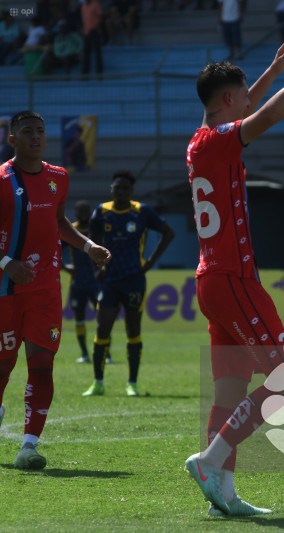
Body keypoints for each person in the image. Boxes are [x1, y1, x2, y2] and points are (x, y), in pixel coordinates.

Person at [183, 43, 284, 516]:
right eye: (242, 97)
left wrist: (273, 69)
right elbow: (265, 117)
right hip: (234, 280)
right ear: (230, 101)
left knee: (230, 393)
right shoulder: (221, 140)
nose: (248, 103)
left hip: (209, 281)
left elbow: (247, 107)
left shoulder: (200, 137)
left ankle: (224, 495)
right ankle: (210, 461)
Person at [0, 110, 111, 470]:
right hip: (5, 289)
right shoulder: (1, 180)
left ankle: (29, 445)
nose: (36, 137)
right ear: (12, 139)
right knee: (3, 365)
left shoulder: (58, 178)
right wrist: (6, 264)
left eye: (41, 132)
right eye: (27, 132)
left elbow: (59, 220)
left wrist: (87, 245)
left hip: (46, 289)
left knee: (42, 364)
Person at [81, 170, 175, 398]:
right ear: (111, 189)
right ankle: (98, 382)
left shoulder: (141, 211)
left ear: (131, 191)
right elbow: (89, 242)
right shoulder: (101, 212)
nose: (121, 191)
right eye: (117, 187)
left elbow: (168, 233)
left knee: (133, 330)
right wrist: (96, 269)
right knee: (103, 327)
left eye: (125, 188)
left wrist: (150, 261)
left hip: (134, 279)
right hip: (110, 281)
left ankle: (132, 383)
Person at [62, 200, 101, 364]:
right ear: (76, 213)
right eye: (81, 211)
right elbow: (55, 248)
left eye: (86, 211)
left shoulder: (96, 230)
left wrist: (102, 271)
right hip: (78, 282)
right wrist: (65, 267)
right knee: (79, 317)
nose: (84, 214)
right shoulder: (72, 230)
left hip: (96, 282)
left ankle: (105, 353)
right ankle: (84, 353)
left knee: (103, 318)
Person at [81, 0, 103, 76]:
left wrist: (97, 27)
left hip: (94, 31)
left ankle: (99, 72)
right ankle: (85, 73)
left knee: (97, 52)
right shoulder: (83, 6)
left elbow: (100, 16)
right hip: (86, 32)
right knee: (86, 53)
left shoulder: (95, 4)